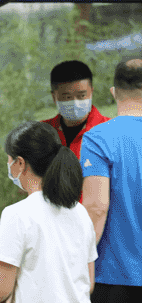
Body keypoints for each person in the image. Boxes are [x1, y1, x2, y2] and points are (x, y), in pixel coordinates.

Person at [0, 121, 97, 303]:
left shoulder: (16, 214)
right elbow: (89, 282)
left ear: (21, 163)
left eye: (9, 160)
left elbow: (0, 292)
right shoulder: (80, 212)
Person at [80, 59, 142, 303]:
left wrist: (79, 258)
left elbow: (96, 208)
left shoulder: (98, 139)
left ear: (114, 92)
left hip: (114, 277)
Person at [42, 61, 110, 197]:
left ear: (91, 92)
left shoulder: (110, 131)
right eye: (67, 97)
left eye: (81, 95)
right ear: (54, 97)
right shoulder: (42, 133)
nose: (75, 103)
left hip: (95, 215)